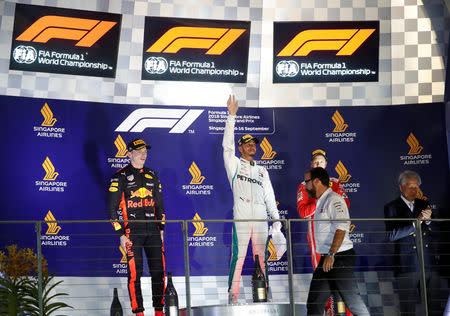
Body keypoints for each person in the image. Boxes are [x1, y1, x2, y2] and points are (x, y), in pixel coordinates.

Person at [223, 95, 281, 304]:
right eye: (247, 144)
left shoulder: (263, 170)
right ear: (240, 148)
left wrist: (276, 219)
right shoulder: (234, 164)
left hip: (260, 216)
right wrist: (231, 117)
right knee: (238, 257)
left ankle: (262, 294)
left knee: (262, 258)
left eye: (253, 143)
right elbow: (227, 146)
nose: (251, 146)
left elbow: (269, 196)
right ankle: (233, 296)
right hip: (242, 214)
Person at [107, 138, 165, 316]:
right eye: (139, 151)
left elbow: (160, 205)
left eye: (145, 151)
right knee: (134, 274)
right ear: (129, 154)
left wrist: (161, 229)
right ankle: (138, 312)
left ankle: (159, 311)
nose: (143, 154)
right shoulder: (120, 176)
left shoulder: (153, 175)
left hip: (154, 232)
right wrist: (121, 234)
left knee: (159, 272)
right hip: (132, 233)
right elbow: (111, 209)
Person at [305, 167, 369, 316]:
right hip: (326, 258)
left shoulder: (334, 199)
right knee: (314, 302)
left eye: (306, 181)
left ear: (316, 181)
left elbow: (341, 228)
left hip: (339, 257)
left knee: (353, 302)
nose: (304, 186)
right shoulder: (320, 201)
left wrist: (332, 254)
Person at [297, 149, 350, 316]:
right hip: (317, 236)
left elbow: (345, 205)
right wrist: (321, 201)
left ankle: (342, 310)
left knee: (340, 274)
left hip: (337, 235)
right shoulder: (304, 185)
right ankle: (328, 310)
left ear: (326, 164)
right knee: (322, 273)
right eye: (315, 162)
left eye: (321, 161)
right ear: (311, 165)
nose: (318, 164)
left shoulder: (336, 182)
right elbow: (302, 212)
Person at [384, 170, 439, 316]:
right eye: (410, 186)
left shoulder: (424, 204)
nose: (414, 190)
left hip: (428, 263)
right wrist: (416, 224)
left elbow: (437, 232)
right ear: (401, 187)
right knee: (407, 309)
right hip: (406, 265)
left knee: (433, 306)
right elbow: (391, 235)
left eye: (416, 187)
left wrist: (428, 220)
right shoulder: (391, 207)